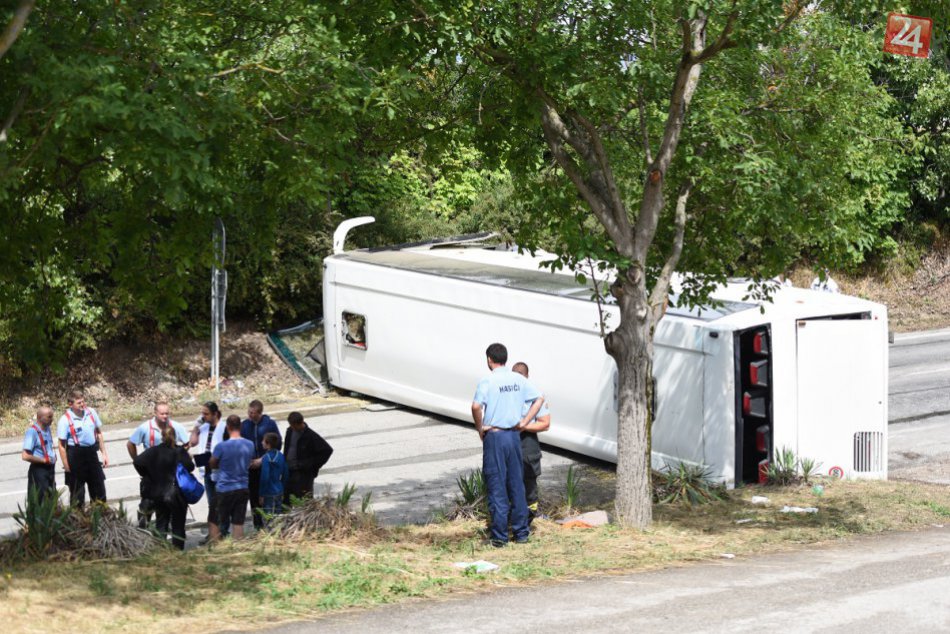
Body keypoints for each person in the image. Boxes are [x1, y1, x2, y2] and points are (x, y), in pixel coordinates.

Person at [471, 343, 543, 547]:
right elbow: (539, 398)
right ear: (506, 358)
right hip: (514, 436)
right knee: (516, 485)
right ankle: (521, 533)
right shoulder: (518, 379)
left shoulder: (488, 380)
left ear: (489, 360)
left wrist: (480, 427)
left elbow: (476, 406)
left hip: (495, 436)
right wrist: (525, 422)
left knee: (497, 485)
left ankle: (500, 537)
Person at [127, 402, 190, 529]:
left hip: (168, 473)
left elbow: (187, 443)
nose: (165, 416)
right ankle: (143, 526)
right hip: (151, 472)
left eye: (167, 413)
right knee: (147, 502)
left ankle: (169, 525)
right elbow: (130, 444)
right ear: (155, 413)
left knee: (167, 502)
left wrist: (179, 455)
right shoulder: (145, 428)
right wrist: (137, 460)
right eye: (162, 414)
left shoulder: (176, 426)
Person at [132, 426, 195, 550]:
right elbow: (191, 467)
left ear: (161, 437)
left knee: (161, 524)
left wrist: (146, 473)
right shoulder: (180, 451)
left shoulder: (153, 451)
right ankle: (178, 551)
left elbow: (137, 461)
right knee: (178, 526)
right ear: (175, 437)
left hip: (159, 494)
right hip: (176, 494)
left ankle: (161, 551)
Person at [511, 362, 551, 524]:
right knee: (512, 480)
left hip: (527, 441)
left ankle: (531, 516)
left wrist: (524, 426)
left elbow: (545, 423)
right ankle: (515, 515)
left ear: (527, 377)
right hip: (510, 440)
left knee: (529, 481)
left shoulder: (534, 394)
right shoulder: (507, 393)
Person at [56, 389, 109, 507]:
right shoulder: (65, 420)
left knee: (99, 489)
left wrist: (104, 454)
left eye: (83, 402)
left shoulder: (90, 412)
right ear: (70, 404)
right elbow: (61, 445)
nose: (82, 405)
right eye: (79, 403)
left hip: (91, 454)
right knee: (77, 493)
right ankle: (79, 521)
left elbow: (99, 433)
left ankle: (100, 516)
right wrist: (66, 466)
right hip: (75, 455)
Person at [210, 414, 255, 541]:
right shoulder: (250, 444)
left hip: (224, 488)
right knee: (238, 521)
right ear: (240, 426)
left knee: (214, 520)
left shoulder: (221, 447)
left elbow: (212, 463)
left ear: (227, 427)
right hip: (242, 487)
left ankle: (215, 547)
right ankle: (238, 547)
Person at [190, 401, 227, 541]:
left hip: (219, 468)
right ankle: (214, 532)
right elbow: (193, 442)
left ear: (215, 414)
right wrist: (196, 427)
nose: (203, 416)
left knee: (221, 502)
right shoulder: (204, 427)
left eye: (206, 414)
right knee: (212, 503)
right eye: (202, 414)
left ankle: (222, 530)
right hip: (206, 467)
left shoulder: (223, 427)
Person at [241, 400, 280, 530]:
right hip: (251, 467)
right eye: (248, 412)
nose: (250, 415)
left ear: (260, 413)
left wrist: (262, 460)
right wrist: (248, 461)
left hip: (267, 466)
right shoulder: (245, 425)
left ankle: (270, 525)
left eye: (252, 413)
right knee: (253, 498)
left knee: (267, 496)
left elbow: (277, 445)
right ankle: (258, 526)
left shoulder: (270, 424)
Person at [282, 411, 333, 507]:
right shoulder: (289, 431)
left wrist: (310, 464)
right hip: (289, 470)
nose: (291, 427)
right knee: (286, 499)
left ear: (299, 424)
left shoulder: (310, 436)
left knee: (304, 501)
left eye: (293, 426)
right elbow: (287, 448)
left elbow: (327, 450)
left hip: (303, 475)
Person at [21, 406, 57, 503]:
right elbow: (25, 456)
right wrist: (43, 460)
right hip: (39, 470)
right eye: (49, 417)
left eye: (52, 417)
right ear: (40, 417)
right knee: (40, 500)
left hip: (50, 469)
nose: (52, 419)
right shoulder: (32, 432)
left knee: (51, 498)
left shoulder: (47, 428)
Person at [259, 432, 289, 528]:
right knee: (278, 516)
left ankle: (270, 535)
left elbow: (265, 477)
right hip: (279, 489)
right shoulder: (280, 455)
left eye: (263, 441)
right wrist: (282, 487)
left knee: (268, 517)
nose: (261, 442)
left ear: (268, 444)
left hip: (268, 491)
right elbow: (286, 474)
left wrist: (261, 494)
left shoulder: (266, 458)